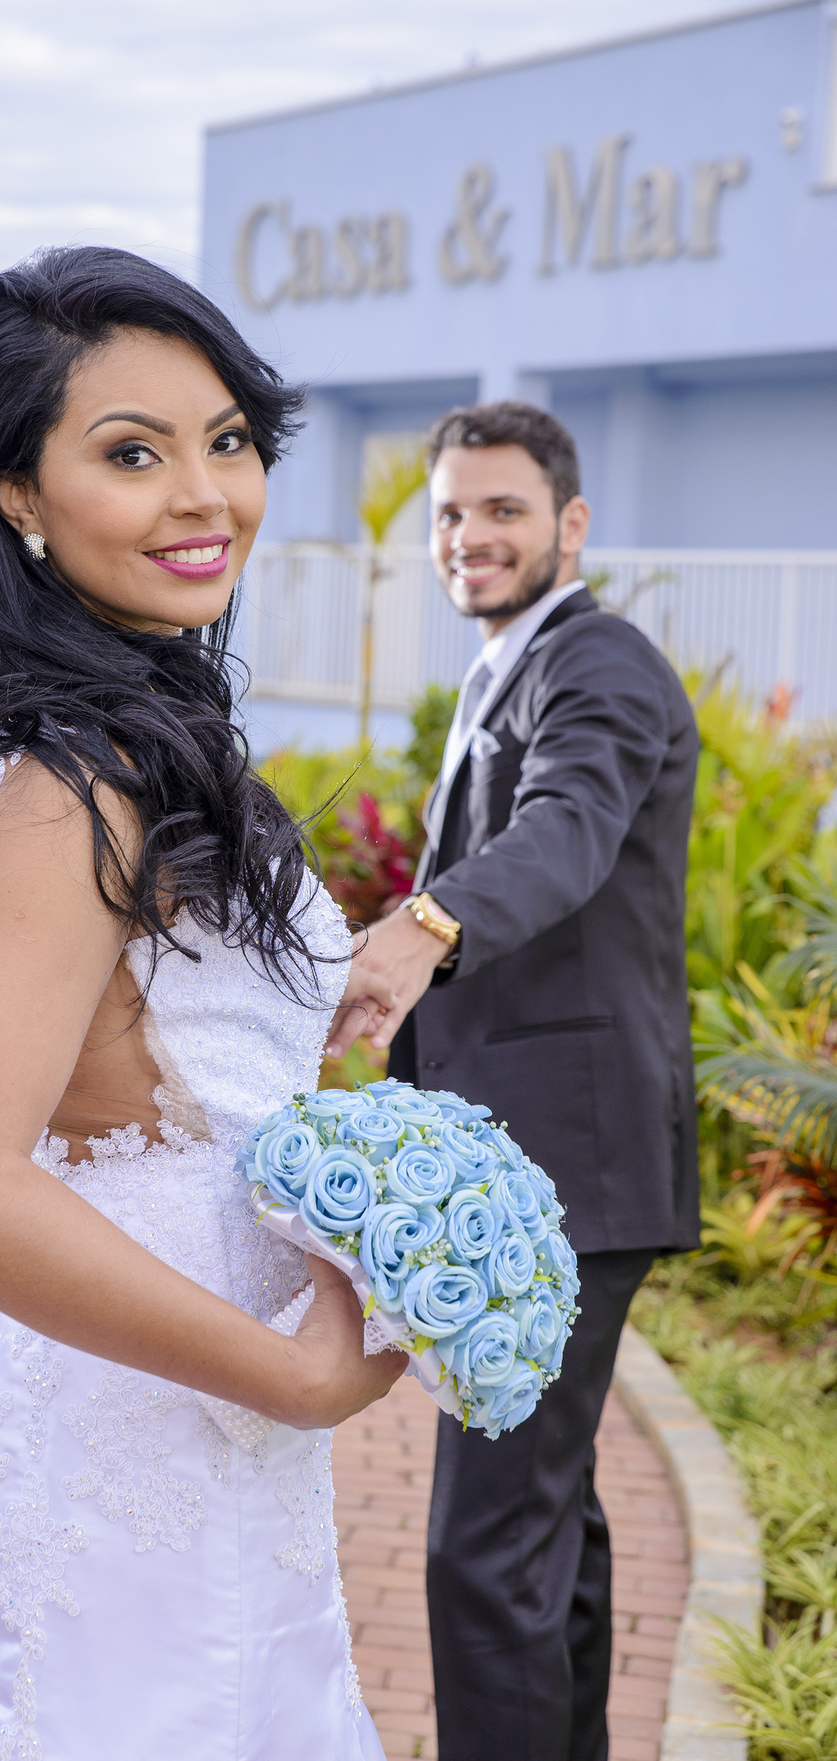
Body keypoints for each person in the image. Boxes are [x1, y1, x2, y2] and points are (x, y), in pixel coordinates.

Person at [0, 247, 407, 1761]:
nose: (204, 494)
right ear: (20, 494)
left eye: (227, 440)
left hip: (177, 1399)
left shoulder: (125, 726)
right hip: (133, 1413)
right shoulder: (73, 778)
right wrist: (291, 1372)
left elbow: (160, 1033)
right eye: (132, 453)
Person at [326, 402, 700, 1761]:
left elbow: (566, 829)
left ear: (572, 524)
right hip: (559, 1163)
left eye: (501, 510)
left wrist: (425, 926)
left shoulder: (597, 666)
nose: (468, 537)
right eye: (449, 514)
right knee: (548, 1525)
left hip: (572, 1171)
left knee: (484, 1551)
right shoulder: (513, 662)